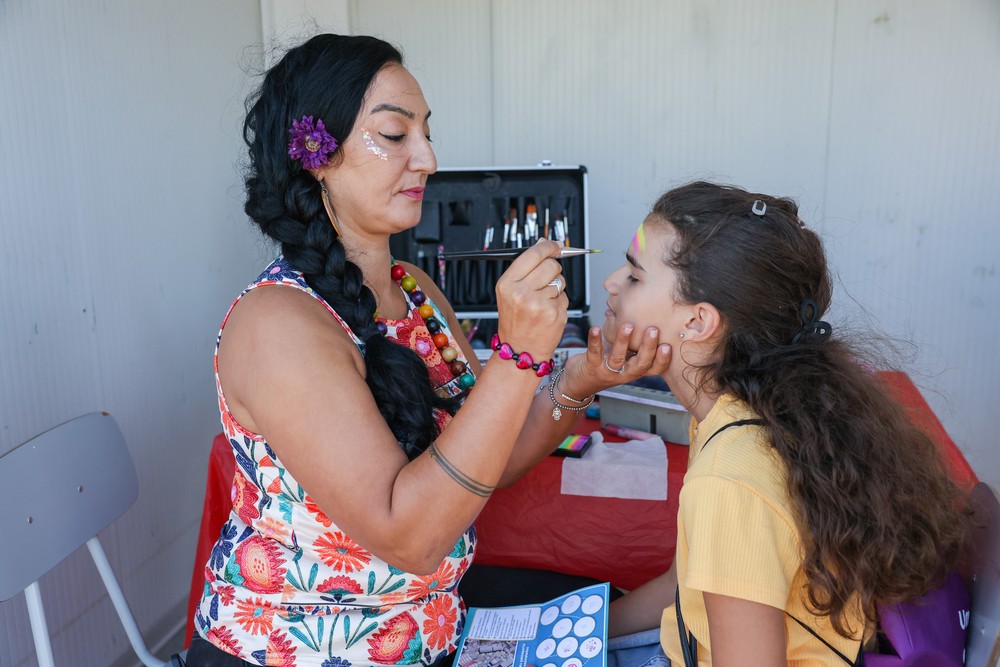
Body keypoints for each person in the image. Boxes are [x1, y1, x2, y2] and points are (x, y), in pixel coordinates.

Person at [189, 34, 671, 666]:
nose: (428, 159)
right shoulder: (279, 325)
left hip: (429, 629)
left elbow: (482, 462)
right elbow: (409, 536)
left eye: (426, 133)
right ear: (316, 155)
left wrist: (579, 379)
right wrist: (516, 355)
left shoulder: (414, 293)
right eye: (395, 135)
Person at [599, 182, 968, 666]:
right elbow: (682, 586)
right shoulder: (744, 415)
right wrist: (579, 633)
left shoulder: (728, 477)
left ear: (697, 323)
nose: (610, 281)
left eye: (633, 275)